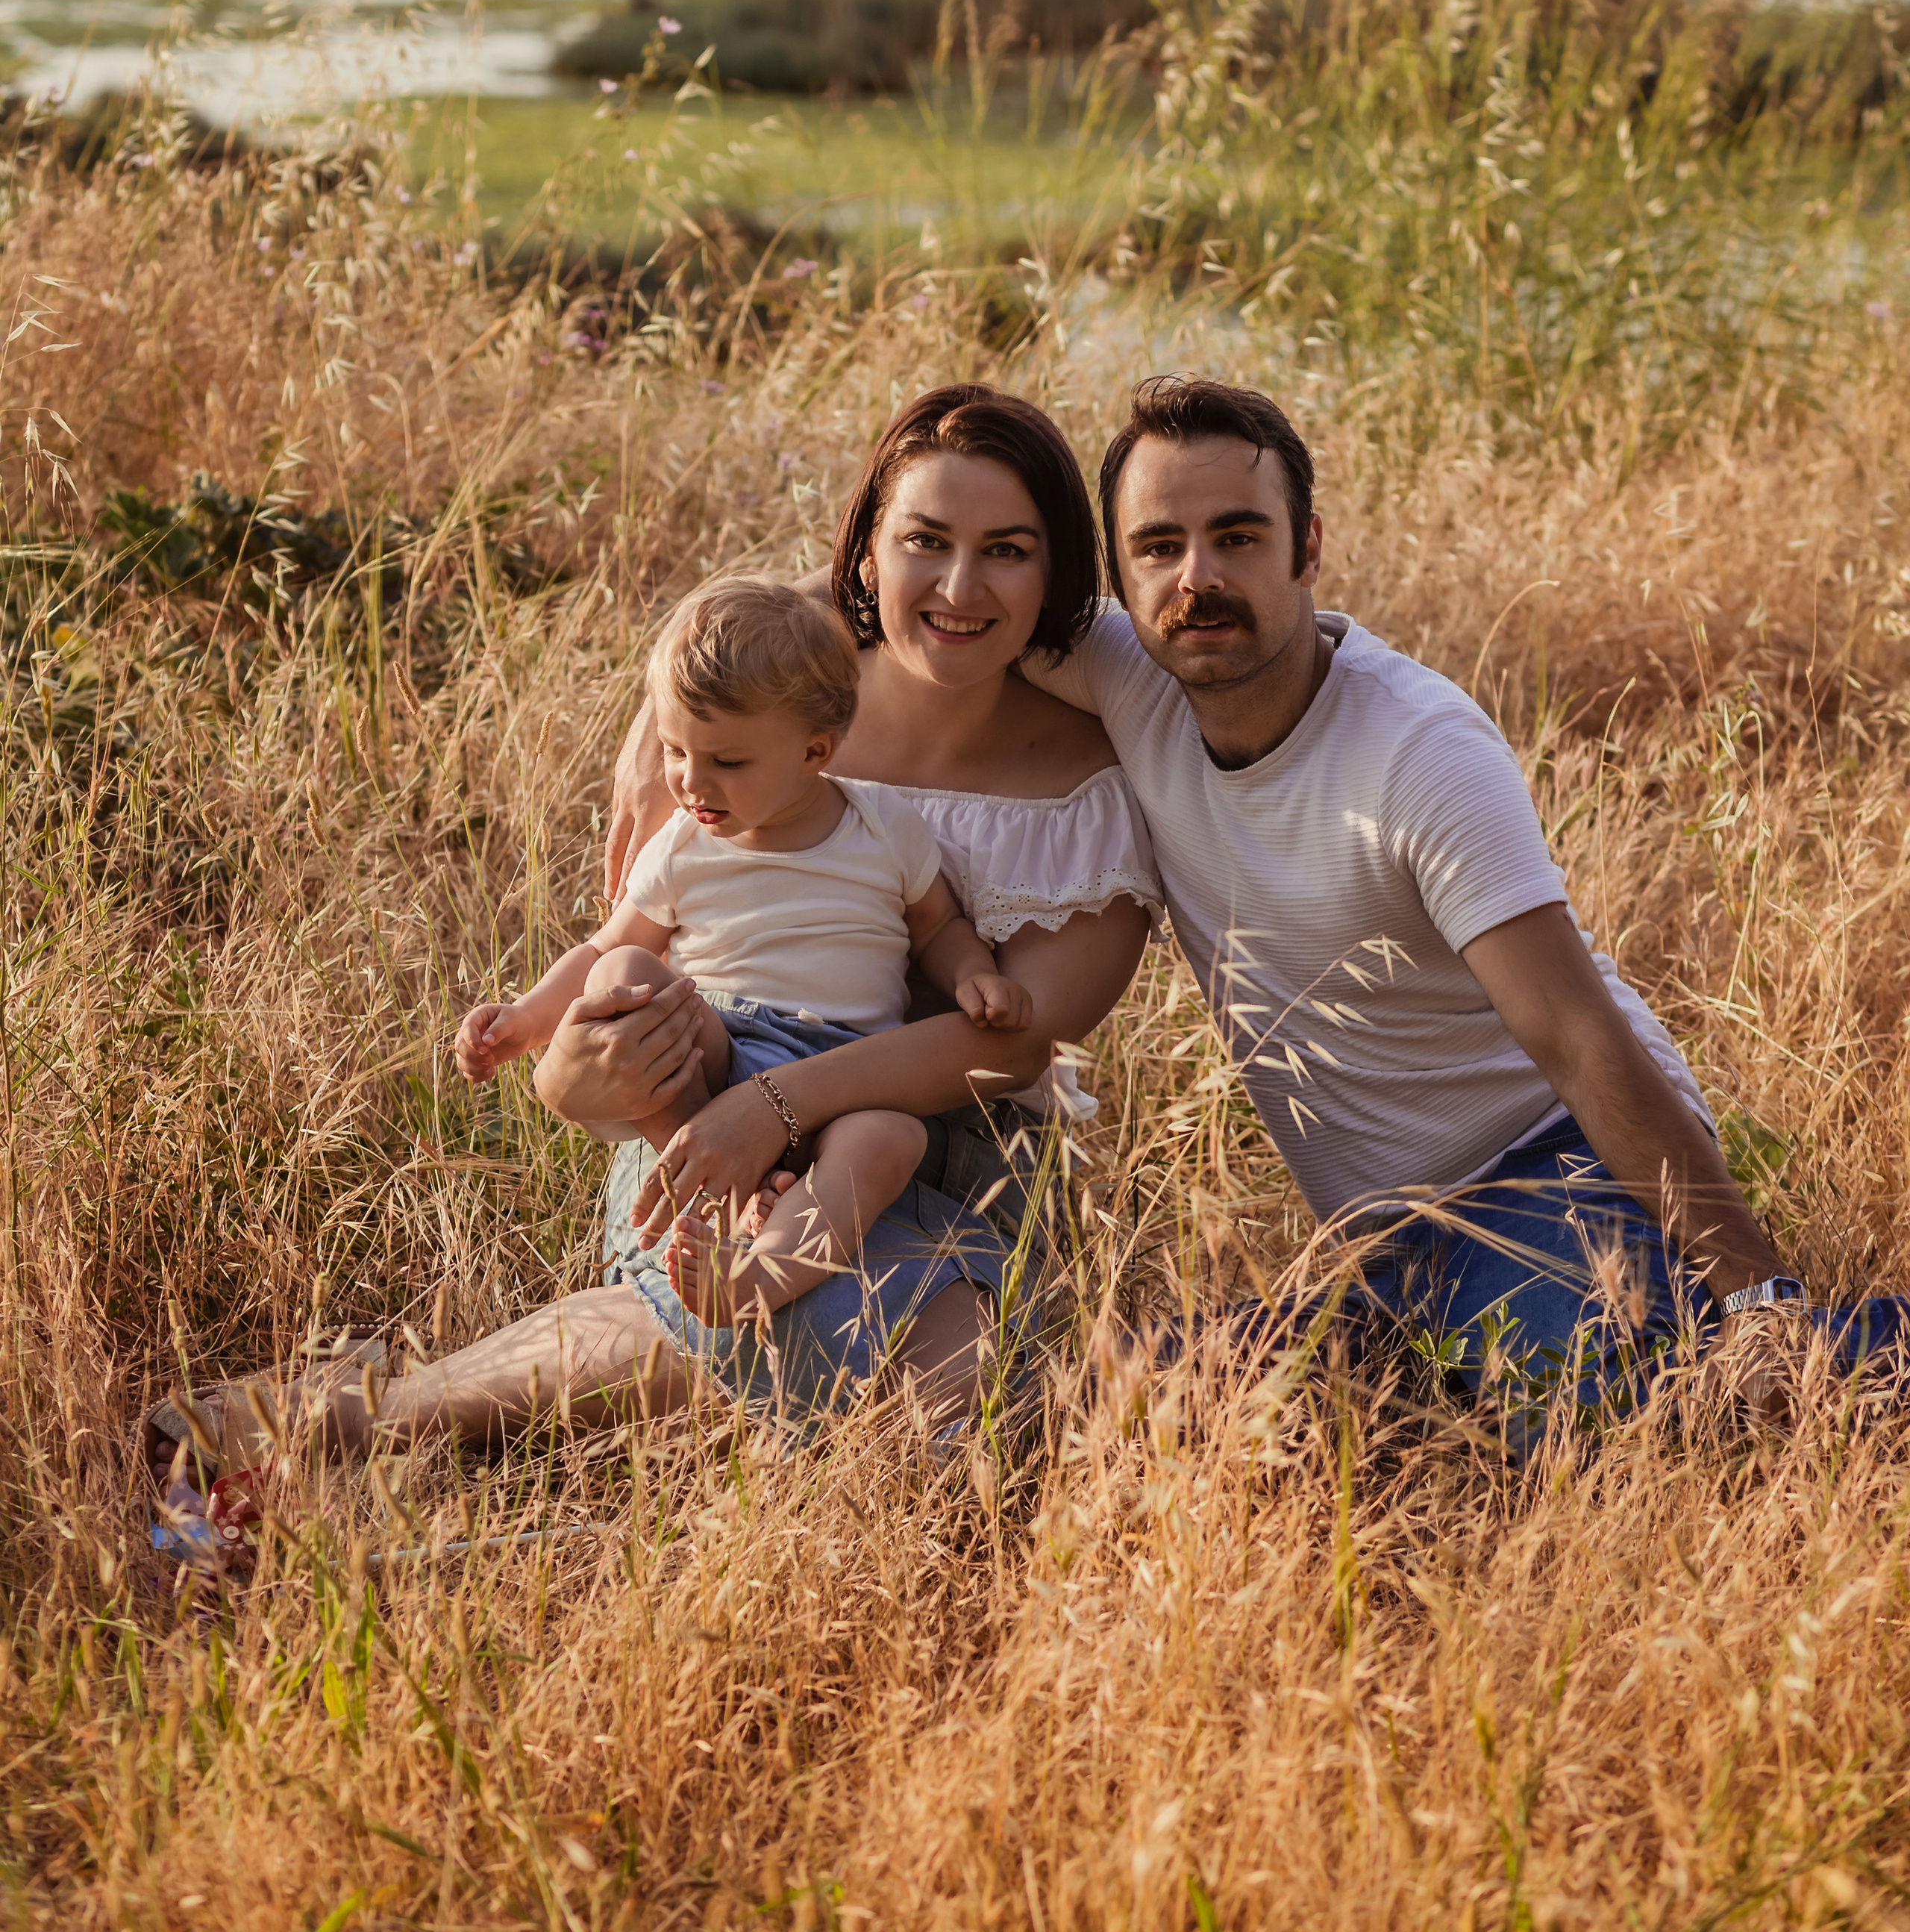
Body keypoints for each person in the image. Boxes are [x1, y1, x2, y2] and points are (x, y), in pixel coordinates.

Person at [146, 389, 1158, 1476]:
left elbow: (1006, 1045)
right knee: (886, 1365)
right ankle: (410, 1404)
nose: (961, 587)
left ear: (1055, 573)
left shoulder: (1080, 785)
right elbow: (631, 961)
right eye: (925, 541)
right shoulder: (743, 720)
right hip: (702, 1113)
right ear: (868, 554)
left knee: (964, 1419)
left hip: (935, 1158)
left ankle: (390, 1409)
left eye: (1007, 551)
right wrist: (567, 1068)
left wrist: (770, 1113)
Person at [1032, 373, 1905, 1442]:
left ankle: (1826, 1359)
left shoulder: (1418, 751)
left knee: (1587, 1422)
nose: (1197, 577)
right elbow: (922, 598)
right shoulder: (1132, 671)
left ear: (1308, 550)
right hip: (1390, 1249)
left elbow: (1581, 1039)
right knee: (1127, 1411)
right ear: (1118, 578)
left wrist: (1761, 1303)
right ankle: (1454, 1374)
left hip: (1554, 1167)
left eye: (1238, 537)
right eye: (1159, 547)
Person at [457, 575, 1033, 1329]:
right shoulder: (682, 845)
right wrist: (525, 1021)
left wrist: (974, 975)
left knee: (889, 1139)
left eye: (727, 762)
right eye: (674, 751)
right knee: (625, 974)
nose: (691, 782)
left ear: (813, 751)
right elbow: (607, 944)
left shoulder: (883, 826)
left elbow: (936, 929)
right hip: (715, 1045)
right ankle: (714, 1185)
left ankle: (754, 1280)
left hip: (842, 1073)